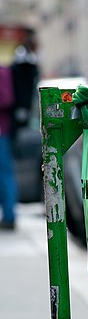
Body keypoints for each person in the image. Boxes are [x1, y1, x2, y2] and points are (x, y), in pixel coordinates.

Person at [0, 65, 18, 230]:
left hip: (1, 132)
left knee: (4, 175)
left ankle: (9, 216)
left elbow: (6, 98)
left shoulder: (3, 72)